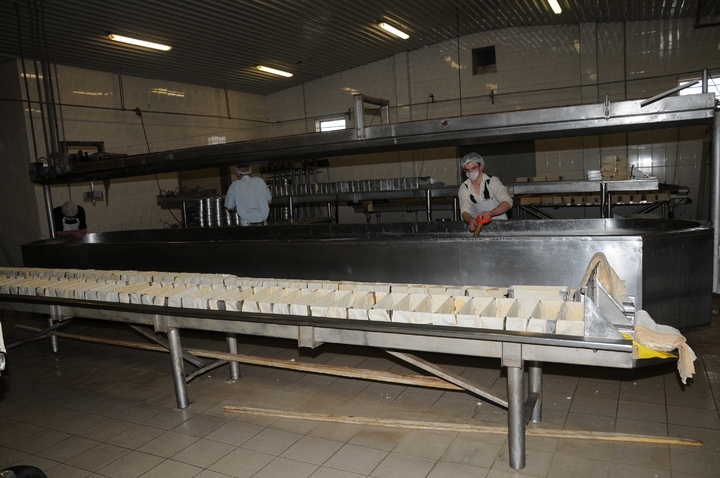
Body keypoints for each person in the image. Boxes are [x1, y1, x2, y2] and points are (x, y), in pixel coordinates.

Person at [458, 152, 513, 232]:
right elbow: (464, 210)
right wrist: (470, 220)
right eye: (467, 170)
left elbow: (507, 202)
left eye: (473, 168)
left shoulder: (493, 181)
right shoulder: (464, 188)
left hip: (500, 228)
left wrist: (492, 213)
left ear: (481, 167)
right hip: (479, 230)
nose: (470, 172)